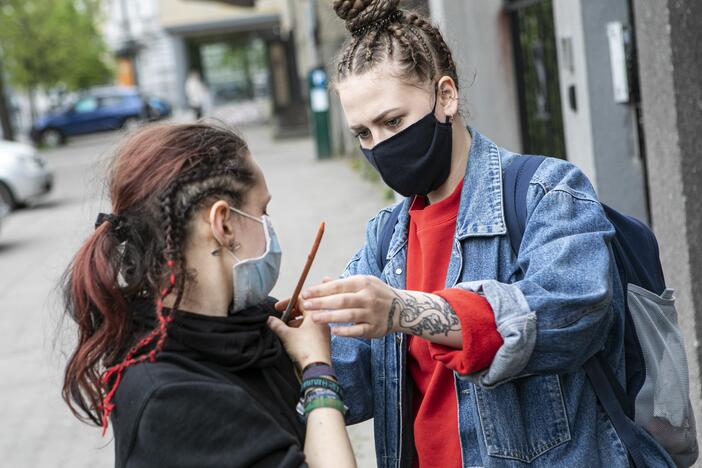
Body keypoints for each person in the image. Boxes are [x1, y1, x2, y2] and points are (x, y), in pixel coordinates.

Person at [295, 1, 675, 467]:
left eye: (393, 122)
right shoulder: (385, 238)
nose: (380, 146)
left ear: (446, 96)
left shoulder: (547, 191)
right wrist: (285, 343)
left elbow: (572, 312)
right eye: (363, 134)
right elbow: (352, 382)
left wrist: (405, 310)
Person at [61, 123, 356, 468]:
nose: (268, 228)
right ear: (224, 224)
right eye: (263, 212)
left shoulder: (246, 323)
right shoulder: (170, 397)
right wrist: (317, 371)